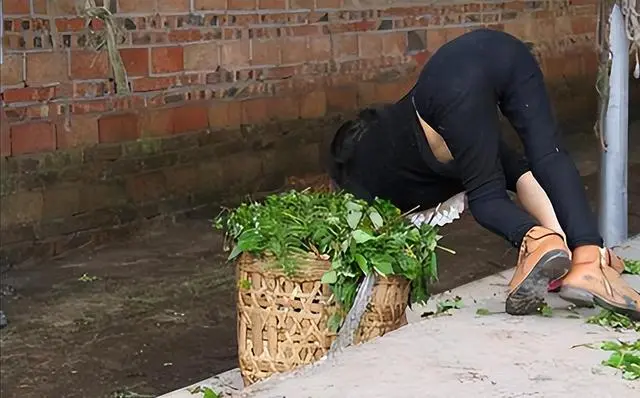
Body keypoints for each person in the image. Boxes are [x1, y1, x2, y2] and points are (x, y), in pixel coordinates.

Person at [328, 28, 639, 320]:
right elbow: (525, 177)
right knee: (550, 155)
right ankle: (588, 259)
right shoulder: (463, 135)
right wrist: (572, 245)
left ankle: (541, 242)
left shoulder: (366, 177)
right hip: (503, 49)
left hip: (449, 82)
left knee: (486, 197)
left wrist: (551, 242)